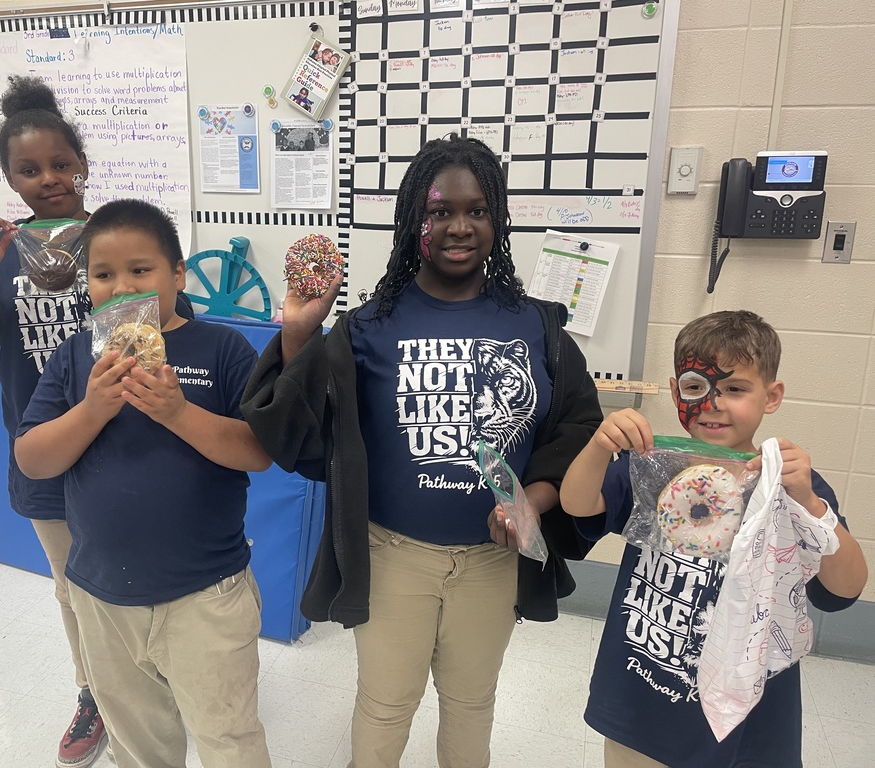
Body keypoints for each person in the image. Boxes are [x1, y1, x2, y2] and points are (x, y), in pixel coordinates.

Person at [240, 134, 603, 767]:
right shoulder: (369, 326)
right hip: (392, 557)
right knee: (385, 704)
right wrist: (299, 332)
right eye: (440, 211)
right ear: (414, 221)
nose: (459, 226)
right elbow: (302, 435)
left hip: (493, 562)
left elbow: (576, 430)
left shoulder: (536, 326)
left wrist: (534, 500)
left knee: (471, 702)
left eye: (477, 210)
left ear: (498, 219)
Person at [14, 199, 273, 768]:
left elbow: (257, 452)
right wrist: (92, 410)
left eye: (140, 269)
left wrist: (179, 413)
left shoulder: (222, 349)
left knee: (228, 736)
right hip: (102, 596)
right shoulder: (76, 356)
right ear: (87, 283)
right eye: (103, 274)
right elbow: (32, 460)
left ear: (178, 274)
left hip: (206, 593)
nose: (122, 287)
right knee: (137, 741)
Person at [558, 310, 868, 768]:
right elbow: (577, 504)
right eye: (695, 387)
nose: (712, 403)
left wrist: (812, 506)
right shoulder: (655, 467)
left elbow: (845, 589)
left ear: (771, 396)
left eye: (735, 389)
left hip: (750, 718)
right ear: (675, 392)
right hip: (644, 697)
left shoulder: (791, 488)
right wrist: (600, 446)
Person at [0, 74, 109, 768]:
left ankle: (145, 679)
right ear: (10, 178)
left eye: (61, 164)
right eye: (29, 169)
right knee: (72, 584)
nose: (49, 179)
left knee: (137, 573)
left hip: (123, 442)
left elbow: (165, 326)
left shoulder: (117, 234)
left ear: (83, 164)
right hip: (42, 448)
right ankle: (94, 692)